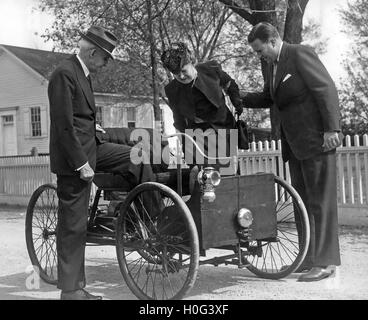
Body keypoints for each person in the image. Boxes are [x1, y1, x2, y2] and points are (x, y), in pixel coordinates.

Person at [48, 26, 156, 300]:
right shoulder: (64, 73)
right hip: (75, 159)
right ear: (93, 53)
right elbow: (63, 125)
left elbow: (80, 117)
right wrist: (80, 164)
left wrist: (95, 127)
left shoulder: (81, 74)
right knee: (74, 225)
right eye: (106, 58)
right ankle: (71, 292)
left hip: (92, 147)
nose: (107, 63)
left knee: (137, 158)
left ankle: (153, 222)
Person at [242, 22, 342, 282]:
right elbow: (268, 98)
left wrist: (333, 129)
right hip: (295, 146)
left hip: (317, 141)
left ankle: (326, 262)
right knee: (303, 205)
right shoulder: (272, 67)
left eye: (260, 50)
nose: (259, 56)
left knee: (321, 204)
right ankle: (308, 259)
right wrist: (236, 95)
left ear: (273, 41)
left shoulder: (299, 54)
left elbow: (325, 89)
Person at [161, 42, 244, 172]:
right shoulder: (172, 90)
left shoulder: (211, 69)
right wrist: (185, 145)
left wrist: (236, 101)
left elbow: (229, 84)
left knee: (228, 174)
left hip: (222, 129)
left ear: (192, 63)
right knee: (200, 174)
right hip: (196, 136)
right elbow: (178, 120)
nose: (181, 76)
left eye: (184, 71)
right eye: (177, 75)